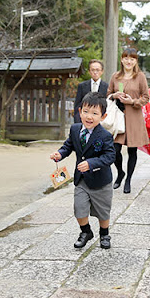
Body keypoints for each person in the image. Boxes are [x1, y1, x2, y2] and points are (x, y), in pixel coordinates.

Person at [50, 92, 116, 249]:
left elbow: (110, 156)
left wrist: (92, 163)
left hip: (101, 181)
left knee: (103, 211)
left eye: (95, 113)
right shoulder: (75, 130)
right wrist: (60, 154)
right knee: (79, 209)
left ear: (103, 116)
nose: (89, 117)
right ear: (80, 112)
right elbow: (69, 146)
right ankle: (85, 231)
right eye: (86, 112)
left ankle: (105, 234)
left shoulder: (105, 135)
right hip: (82, 180)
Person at [107, 48, 150, 194]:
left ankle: (128, 180)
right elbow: (107, 95)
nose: (129, 61)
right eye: (126, 58)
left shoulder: (140, 77)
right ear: (121, 59)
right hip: (118, 117)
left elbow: (146, 98)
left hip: (134, 117)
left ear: (136, 61)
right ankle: (120, 172)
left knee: (132, 150)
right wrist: (114, 95)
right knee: (115, 150)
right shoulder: (115, 76)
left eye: (132, 59)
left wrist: (133, 101)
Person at [73, 59, 108, 124]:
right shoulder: (82, 86)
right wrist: (78, 121)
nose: (95, 72)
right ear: (89, 71)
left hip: (101, 122)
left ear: (102, 71)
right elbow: (77, 105)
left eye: (97, 70)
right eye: (93, 70)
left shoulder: (107, 87)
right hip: (84, 121)